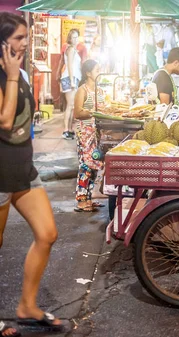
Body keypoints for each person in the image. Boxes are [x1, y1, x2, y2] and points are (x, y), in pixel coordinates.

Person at [0, 12, 69, 337]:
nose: (25, 43)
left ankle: (27, 306)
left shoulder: (22, 72)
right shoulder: (7, 75)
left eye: (26, 37)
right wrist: (11, 77)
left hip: (23, 170)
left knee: (47, 234)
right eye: (18, 39)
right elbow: (5, 121)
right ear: (2, 42)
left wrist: (17, 74)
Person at [73, 59, 105, 212]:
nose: (99, 72)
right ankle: (81, 200)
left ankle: (89, 198)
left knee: (94, 165)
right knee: (85, 165)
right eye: (97, 69)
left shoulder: (99, 90)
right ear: (88, 73)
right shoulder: (82, 90)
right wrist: (93, 112)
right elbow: (77, 113)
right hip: (85, 133)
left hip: (97, 132)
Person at [59, 29, 82, 140]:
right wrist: (72, 80)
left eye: (77, 37)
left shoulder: (73, 49)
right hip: (69, 78)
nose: (75, 39)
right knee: (70, 105)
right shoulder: (71, 49)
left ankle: (70, 129)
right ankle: (65, 130)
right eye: (73, 37)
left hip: (73, 78)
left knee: (72, 106)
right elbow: (69, 66)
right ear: (70, 38)